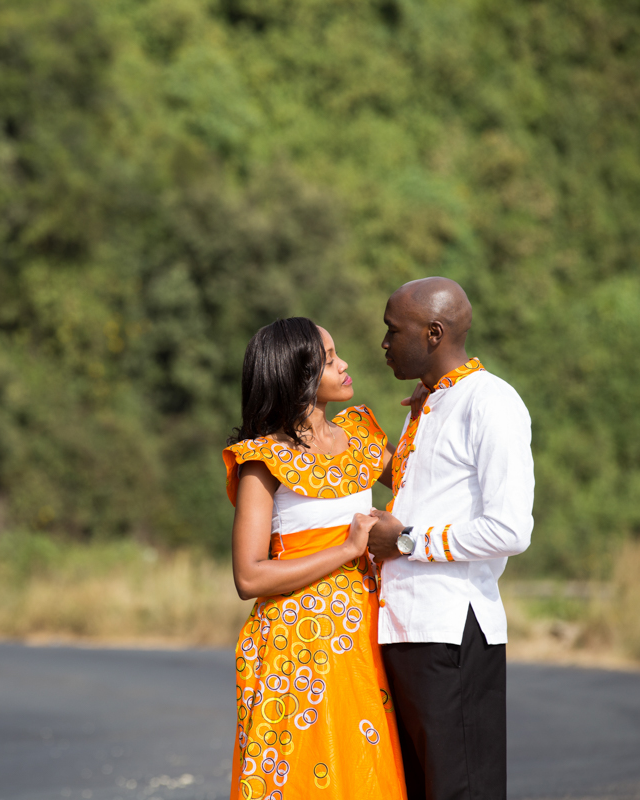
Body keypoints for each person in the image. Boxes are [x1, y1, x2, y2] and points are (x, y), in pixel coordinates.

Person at [223, 317, 408, 800]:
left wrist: (430, 415)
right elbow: (249, 576)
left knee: (371, 771)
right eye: (329, 359)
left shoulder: (362, 438)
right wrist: (347, 550)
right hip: (297, 649)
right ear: (296, 375)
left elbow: (422, 483)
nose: (345, 365)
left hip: (370, 634)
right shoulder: (262, 462)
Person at [368, 277, 535, 800]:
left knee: (461, 789)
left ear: (433, 333)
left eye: (393, 331)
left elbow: (511, 528)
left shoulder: (492, 402)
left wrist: (407, 541)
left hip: (452, 631)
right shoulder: (432, 402)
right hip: (401, 629)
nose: (385, 343)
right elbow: (424, 493)